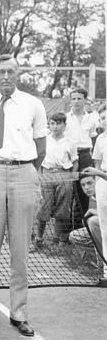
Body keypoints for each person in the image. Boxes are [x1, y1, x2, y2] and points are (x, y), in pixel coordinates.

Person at [0, 54, 48, 337]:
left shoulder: (33, 104)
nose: (6, 76)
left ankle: (19, 313)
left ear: (18, 74)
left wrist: (26, 172)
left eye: (11, 72)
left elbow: (41, 147)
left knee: (19, 250)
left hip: (24, 174)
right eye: (1, 72)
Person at [35, 112, 78, 246]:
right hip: (47, 175)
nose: (55, 127)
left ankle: (57, 239)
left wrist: (71, 177)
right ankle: (38, 239)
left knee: (62, 208)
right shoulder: (45, 140)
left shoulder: (70, 142)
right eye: (52, 123)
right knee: (44, 207)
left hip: (63, 175)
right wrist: (39, 175)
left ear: (64, 125)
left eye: (59, 123)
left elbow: (75, 161)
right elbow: (39, 159)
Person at [65, 88, 99, 223]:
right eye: (73, 98)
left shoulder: (91, 118)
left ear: (85, 100)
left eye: (79, 98)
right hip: (68, 156)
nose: (76, 101)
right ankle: (64, 231)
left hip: (85, 155)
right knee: (67, 191)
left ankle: (80, 227)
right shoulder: (65, 118)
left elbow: (94, 138)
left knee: (84, 190)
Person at [87, 103, 107, 286]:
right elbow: (98, 166)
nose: (105, 120)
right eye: (102, 118)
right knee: (104, 228)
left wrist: (99, 174)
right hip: (104, 189)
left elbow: (99, 171)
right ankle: (106, 273)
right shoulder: (100, 139)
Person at [68, 172, 101, 256]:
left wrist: (94, 212)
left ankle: (102, 263)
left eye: (89, 183)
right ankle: (101, 254)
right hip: (102, 230)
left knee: (93, 221)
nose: (86, 187)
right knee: (74, 236)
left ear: (97, 181)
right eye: (83, 185)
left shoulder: (103, 193)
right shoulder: (93, 197)